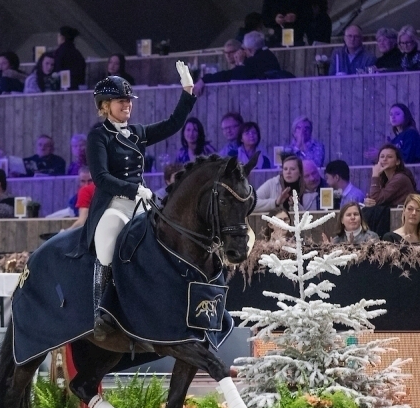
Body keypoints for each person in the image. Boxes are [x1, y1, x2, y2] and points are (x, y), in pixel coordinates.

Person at [77, 64, 196, 339]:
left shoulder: (138, 132)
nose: (127, 104)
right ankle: (100, 313)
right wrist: (133, 189)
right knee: (106, 246)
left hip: (142, 204)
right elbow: (101, 178)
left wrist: (187, 90)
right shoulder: (98, 136)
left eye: (129, 100)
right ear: (105, 105)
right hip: (115, 204)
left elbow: (172, 124)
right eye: (121, 100)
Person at [198, 31, 282, 88]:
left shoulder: (256, 60)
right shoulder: (268, 55)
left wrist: (241, 63)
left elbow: (231, 75)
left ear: (249, 50)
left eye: (243, 49)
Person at [54, 26, 86, 90]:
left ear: (62, 37)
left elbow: (57, 68)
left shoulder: (59, 52)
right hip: (77, 86)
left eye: (58, 36)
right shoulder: (77, 53)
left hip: (64, 86)